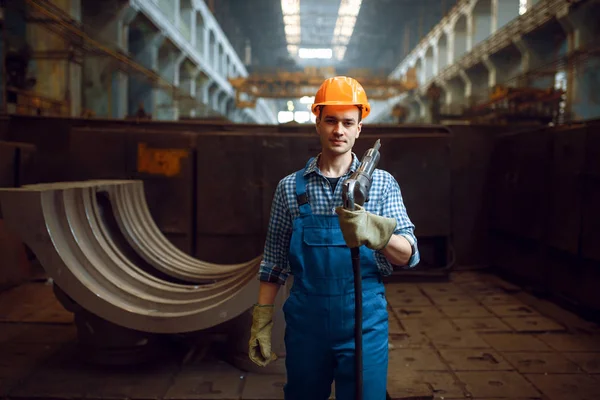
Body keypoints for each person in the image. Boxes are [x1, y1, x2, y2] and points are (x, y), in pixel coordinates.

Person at [248, 76, 420, 400]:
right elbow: (273, 262)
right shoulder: (290, 188)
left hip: (363, 322)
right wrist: (262, 318)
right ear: (317, 123)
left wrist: (376, 231)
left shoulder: (381, 185)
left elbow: (408, 254)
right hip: (306, 324)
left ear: (359, 129)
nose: (338, 130)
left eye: (347, 122)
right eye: (330, 120)